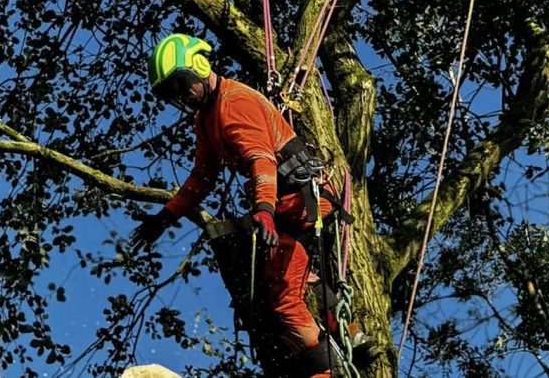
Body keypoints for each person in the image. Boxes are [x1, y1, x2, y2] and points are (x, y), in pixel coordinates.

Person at [130, 33, 373, 377]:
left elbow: (261, 159)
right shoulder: (205, 118)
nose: (181, 95)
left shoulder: (233, 105)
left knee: (282, 301)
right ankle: (351, 335)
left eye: (181, 84)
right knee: (284, 280)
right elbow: (202, 177)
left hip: (297, 203)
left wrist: (264, 210)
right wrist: (165, 217)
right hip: (287, 204)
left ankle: (325, 370)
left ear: (200, 67)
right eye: (171, 93)